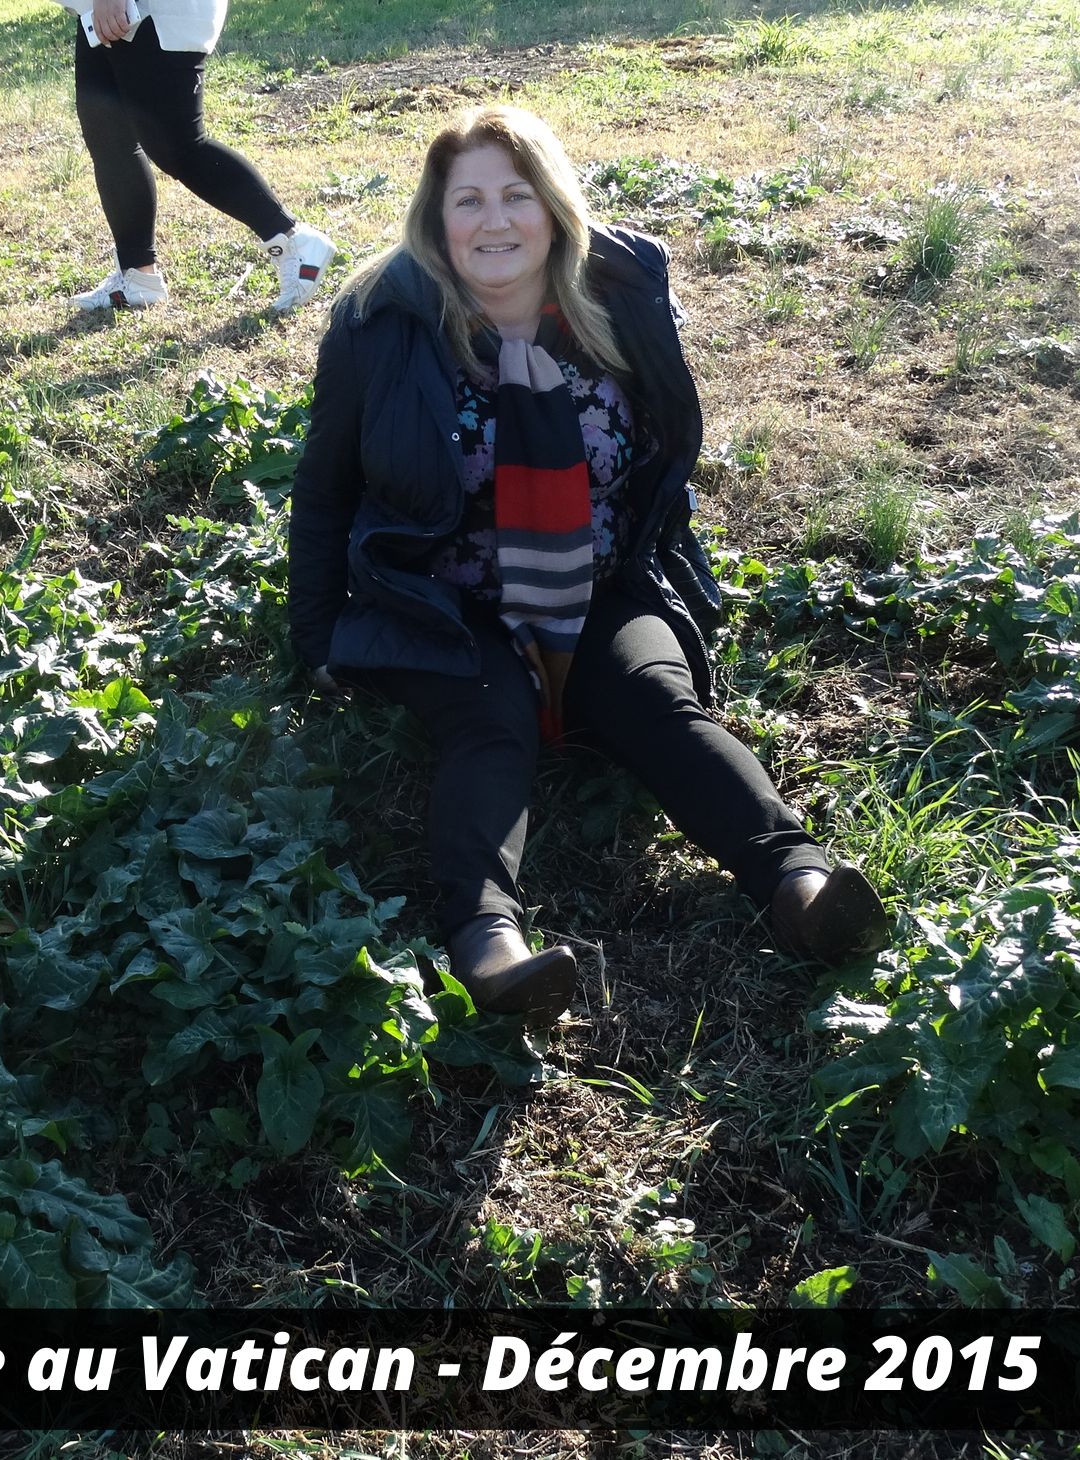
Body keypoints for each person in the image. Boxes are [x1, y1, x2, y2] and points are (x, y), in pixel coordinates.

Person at [287, 105, 889, 1023]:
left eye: (516, 196)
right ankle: (489, 946)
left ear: (554, 207)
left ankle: (800, 885)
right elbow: (324, 485)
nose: (493, 221)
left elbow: (663, 461)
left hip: (600, 581)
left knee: (656, 701)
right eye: (468, 200)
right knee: (491, 721)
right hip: (442, 601)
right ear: (436, 217)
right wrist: (317, 634)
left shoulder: (620, 298)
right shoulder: (379, 322)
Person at [54, 0, 335, 313]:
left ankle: (293, 238)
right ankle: (138, 275)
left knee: (179, 146)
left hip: (148, 11)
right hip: (100, 8)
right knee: (109, 138)